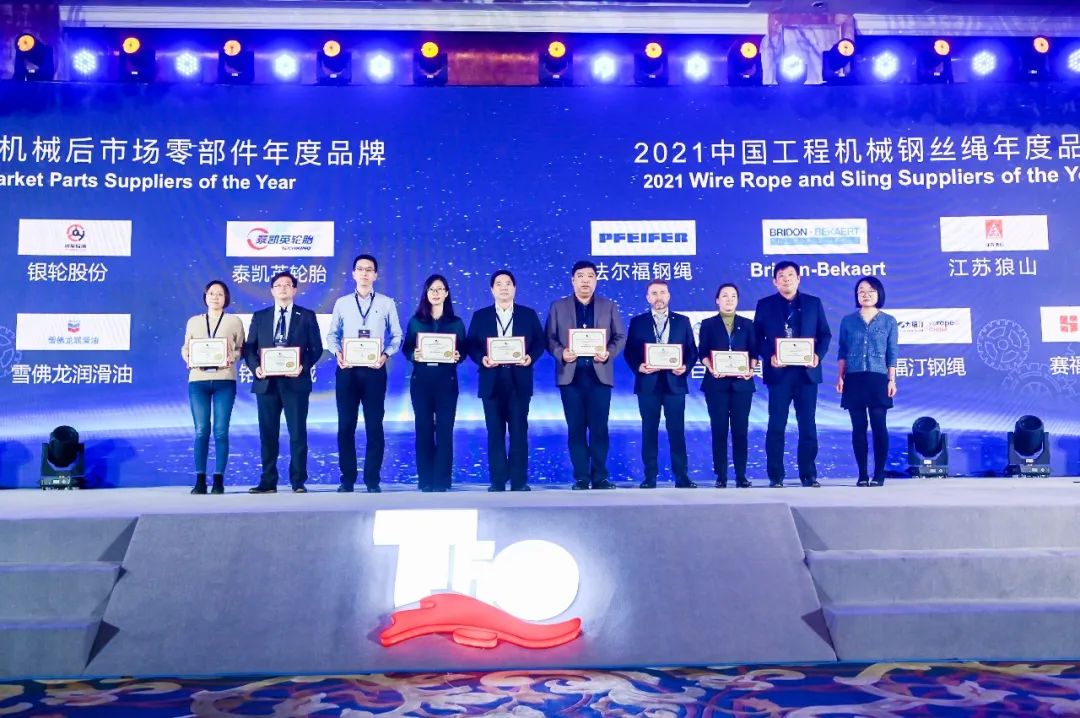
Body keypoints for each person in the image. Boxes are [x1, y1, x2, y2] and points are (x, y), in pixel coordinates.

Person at [545, 260, 626, 490]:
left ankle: (600, 477)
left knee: (599, 429)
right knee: (576, 428)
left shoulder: (609, 306)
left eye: (590, 276)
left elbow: (620, 336)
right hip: (570, 377)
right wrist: (562, 353)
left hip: (599, 377)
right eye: (580, 276)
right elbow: (549, 338)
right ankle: (581, 477)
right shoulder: (558, 306)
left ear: (596, 280)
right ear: (573, 280)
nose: (585, 281)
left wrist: (608, 353)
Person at [326, 254, 403, 493]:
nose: (364, 273)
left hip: (374, 371)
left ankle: (372, 480)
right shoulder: (342, 303)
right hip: (347, 371)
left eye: (369, 270)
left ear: (375, 275)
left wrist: (385, 355)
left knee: (374, 427)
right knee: (345, 426)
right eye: (360, 269)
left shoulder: (386, 303)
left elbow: (397, 336)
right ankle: (347, 479)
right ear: (353, 274)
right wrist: (337, 353)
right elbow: (332, 335)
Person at [466, 269, 546, 492]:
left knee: (519, 432)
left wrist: (530, 357)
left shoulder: (528, 314)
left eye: (508, 283)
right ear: (492, 289)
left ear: (514, 288)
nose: (504, 287)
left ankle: (519, 481)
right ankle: (498, 481)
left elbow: (540, 342)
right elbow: (471, 345)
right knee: (495, 432)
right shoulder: (480, 316)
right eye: (499, 284)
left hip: (519, 379)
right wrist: (482, 358)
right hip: (491, 380)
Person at [753, 261, 832, 488]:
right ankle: (776, 476)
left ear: (798, 278)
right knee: (776, 426)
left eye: (790, 275)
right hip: (779, 374)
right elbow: (757, 337)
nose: (786, 279)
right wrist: (770, 356)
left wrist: (817, 356)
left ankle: (808, 475)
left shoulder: (813, 303)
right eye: (781, 275)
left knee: (807, 426)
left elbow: (825, 335)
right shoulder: (765, 304)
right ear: (774, 281)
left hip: (806, 374)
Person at [244, 271, 324, 494]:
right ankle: (268, 481)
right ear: (272, 290)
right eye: (278, 285)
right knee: (268, 434)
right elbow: (249, 349)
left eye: (287, 284)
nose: (283, 288)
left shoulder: (306, 315)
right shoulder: (260, 316)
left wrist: (303, 366)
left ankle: (298, 481)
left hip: (296, 382)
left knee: (297, 433)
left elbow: (316, 348)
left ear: (294, 290)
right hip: (266, 383)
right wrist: (255, 367)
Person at [623, 280, 698, 488]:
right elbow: (629, 351)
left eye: (662, 293)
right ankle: (650, 477)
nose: (658, 297)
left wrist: (685, 366)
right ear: (648, 297)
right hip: (648, 383)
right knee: (649, 431)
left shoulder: (682, 321)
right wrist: (639, 366)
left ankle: (681, 476)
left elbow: (692, 351)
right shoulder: (638, 322)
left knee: (677, 431)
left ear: (669, 296)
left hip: (675, 384)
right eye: (654, 293)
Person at [403, 274, 467, 492]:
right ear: (426, 293)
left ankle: (442, 480)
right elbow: (406, 348)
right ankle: (425, 480)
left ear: (446, 293)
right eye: (432, 289)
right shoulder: (416, 321)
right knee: (423, 430)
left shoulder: (456, 323)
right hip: (421, 382)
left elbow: (464, 349)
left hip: (446, 382)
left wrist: (459, 355)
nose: (436, 293)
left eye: (440, 289)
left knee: (445, 431)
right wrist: (414, 354)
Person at [181, 280, 245, 494]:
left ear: (226, 298)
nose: (215, 297)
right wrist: (188, 357)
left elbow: (240, 349)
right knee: (201, 431)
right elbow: (186, 347)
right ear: (205, 296)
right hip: (198, 380)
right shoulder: (193, 322)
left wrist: (231, 357)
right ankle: (200, 479)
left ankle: (218, 479)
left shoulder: (234, 321)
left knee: (220, 431)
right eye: (211, 293)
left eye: (220, 294)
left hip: (225, 380)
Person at [836, 276, 898, 487]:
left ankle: (879, 474)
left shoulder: (888, 321)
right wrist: (840, 376)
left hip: (878, 378)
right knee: (858, 426)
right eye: (861, 290)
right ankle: (862, 474)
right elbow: (842, 351)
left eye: (871, 290)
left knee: (879, 425)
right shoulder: (848, 321)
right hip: (854, 377)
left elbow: (892, 353)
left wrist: (891, 380)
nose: (866, 294)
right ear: (856, 295)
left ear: (879, 294)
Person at [698, 283, 758, 489]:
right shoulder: (708, 324)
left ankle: (741, 475)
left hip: (742, 385)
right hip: (716, 384)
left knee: (741, 431)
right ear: (717, 300)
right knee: (719, 430)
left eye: (733, 296)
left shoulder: (748, 324)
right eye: (725, 295)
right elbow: (702, 352)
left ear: (738, 300)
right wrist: (711, 367)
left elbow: (754, 352)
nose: (729, 299)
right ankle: (721, 475)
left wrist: (751, 368)